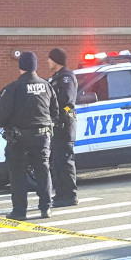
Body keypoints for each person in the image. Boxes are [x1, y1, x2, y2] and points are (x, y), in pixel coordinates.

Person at [0, 51, 57, 220]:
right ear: (35, 67)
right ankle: (45, 208)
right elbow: (55, 112)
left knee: (18, 173)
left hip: (19, 138)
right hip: (42, 136)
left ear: (20, 67)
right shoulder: (46, 86)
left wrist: (10, 126)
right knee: (43, 170)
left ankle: (20, 211)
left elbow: (1, 116)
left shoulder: (13, 88)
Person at [47, 47, 79, 207]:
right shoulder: (55, 78)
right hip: (56, 123)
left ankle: (70, 195)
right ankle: (60, 194)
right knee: (58, 161)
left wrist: (51, 101)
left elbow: (66, 99)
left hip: (65, 122)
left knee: (65, 159)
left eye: (50, 59)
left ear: (56, 60)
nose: (47, 61)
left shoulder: (66, 77)